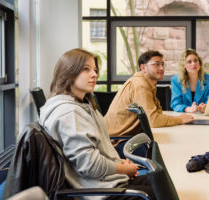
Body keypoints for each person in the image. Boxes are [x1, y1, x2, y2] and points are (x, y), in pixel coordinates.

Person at [39, 48, 156, 200]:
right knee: (162, 191)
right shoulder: (69, 113)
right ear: (68, 73)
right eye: (86, 69)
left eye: (94, 69)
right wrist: (122, 169)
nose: (94, 74)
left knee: (167, 184)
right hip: (99, 192)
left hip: (107, 181)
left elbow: (97, 149)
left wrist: (118, 162)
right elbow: (89, 165)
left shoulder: (83, 103)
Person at [105, 50, 194, 139]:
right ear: (143, 68)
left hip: (125, 137)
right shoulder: (140, 85)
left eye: (162, 64)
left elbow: (156, 114)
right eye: (156, 64)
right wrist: (180, 119)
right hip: (117, 141)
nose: (162, 68)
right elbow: (153, 120)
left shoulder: (146, 83)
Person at [170, 49, 209, 113]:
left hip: (203, 117)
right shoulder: (176, 80)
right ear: (184, 66)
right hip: (183, 117)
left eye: (195, 60)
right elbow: (176, 104)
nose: (193, 64)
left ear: (199, 64)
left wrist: (206, 107)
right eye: (189, 62)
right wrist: (187, 109)